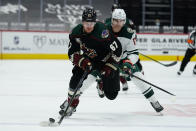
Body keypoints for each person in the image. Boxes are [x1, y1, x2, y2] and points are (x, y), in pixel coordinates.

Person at [81, 9, 164, 113]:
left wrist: (128, 63)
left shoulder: (130, 33)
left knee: (138, 77)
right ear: (112, 20)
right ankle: (72, 101)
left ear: (124, 21)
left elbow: (134, 53)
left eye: (121, 21)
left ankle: (154, 101)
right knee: (90, 77)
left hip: (123, 59)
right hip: (107, 59)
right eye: (115, 21)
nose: (118, 24)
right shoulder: (103, 29)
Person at [58, 7, 122, 117]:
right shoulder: (76, 33)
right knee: (75, 78)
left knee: (111, 95)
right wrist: (82, 62)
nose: (89, 26)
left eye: (91, 23)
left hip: (105, 61)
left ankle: (101, 81)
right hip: (89, 60)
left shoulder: (103, 32)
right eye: (86, 23)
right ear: (82, 22)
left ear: (95, 22)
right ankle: (72, 103)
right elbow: (72, 53)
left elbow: (118, 49)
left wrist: (110, 66)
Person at [104, 3, 143, 91]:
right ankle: (123, 82)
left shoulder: (128, 21)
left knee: (134, 61)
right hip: (114, 48)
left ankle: (139, 72)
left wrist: (132, 42)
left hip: (126, 46)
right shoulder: (107, 21)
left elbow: (133, 31)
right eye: (114, 10)